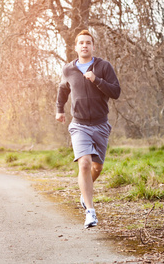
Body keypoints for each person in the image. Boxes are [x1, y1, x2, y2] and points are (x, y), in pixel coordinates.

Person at [56, 30, 120, 228]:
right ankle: (90, 212)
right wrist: (59, 110)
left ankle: (85, 193)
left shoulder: (103, 66)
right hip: (79, 124)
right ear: (76, 47)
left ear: (93, 46)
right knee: (84, 163)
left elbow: (116, 92)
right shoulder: (68, 70)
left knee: (97, 167)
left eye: (88, 43)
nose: (84, 45)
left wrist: (96, 80)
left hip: (100, 124)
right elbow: (62, 89)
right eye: (81, 43)